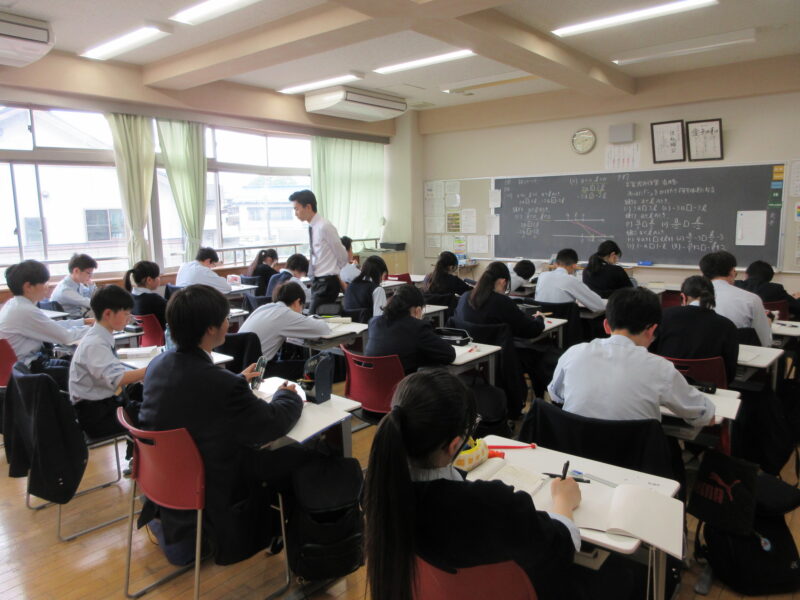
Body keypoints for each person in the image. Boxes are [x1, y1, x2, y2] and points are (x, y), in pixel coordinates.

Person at [364, 370, 583, 600]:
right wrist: (563, 501)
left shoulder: (380, 486)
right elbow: (562, 546)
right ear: (454, 446)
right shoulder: (493, 505)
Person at [137, 284, 306, 565]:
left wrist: (236, 380)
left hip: (162, 476)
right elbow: (272, 424)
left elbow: (193, 399)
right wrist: (288, 396)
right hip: (213, 482)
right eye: (226, 318)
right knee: (302, 454)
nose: (229, 324)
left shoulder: (159, 365)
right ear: (210, 329)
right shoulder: (219, 383)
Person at [549, 287, 715, 427]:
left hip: (574, 450)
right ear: (652, 330)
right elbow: (705, 416)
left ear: (606, 325)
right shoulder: (660, 368)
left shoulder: (574, 353)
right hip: (635, 454)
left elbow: (555, 395)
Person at [454, 261, 547, 414]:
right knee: (536, 355)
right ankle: (539, 403)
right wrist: (539, 319)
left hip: (470, 359)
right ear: (503, 282)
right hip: (502, 361)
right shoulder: (502, 302)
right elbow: (530, 330)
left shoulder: (464, 298)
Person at [0, 260, 92, 389]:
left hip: (29, 364)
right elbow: (66, 337)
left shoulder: (16, 304)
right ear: (28, 286)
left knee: (75, 367)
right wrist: (98, 328)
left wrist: (84, 322)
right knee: (82, 375)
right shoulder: (24, 310)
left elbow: (50, 326)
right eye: (44, 283)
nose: (47, 286)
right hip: (27, 371)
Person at [68, 285, 146, 438]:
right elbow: (118, 379)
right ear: (108, 314)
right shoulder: (95, 343)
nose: (129, 318)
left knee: (147, 398)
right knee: (156, 416)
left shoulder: (101, 336)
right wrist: (150, 369)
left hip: (104, 404)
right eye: (126, 314)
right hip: (97, 415)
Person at [650, 275, 739, 384]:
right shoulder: (727, 326)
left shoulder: (662, 316)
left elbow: (649, 353)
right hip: (709, 387)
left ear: (683, 297)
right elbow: (729, 373)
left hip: (664, 383)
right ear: (713, 298)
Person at [239, 282, 331, 379]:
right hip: (258, 372)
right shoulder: (285, 313)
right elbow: (323, 329)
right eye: (302, 307)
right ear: (297, 302)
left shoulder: (263, 308)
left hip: (240, 369)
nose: (301, 311)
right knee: (314, 367)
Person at [364, 284, 455, 373]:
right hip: (403, 382)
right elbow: (449, 354)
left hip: (370, 381)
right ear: (418, 310)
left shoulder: (374, 322)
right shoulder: (417, 327)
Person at [290, 189, 348, 313]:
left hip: (327, 282)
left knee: (313, 317)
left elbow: (342, 253)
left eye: (297, 209)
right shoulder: (312, 226)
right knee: (319, 317)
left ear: (308, 207)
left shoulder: (324, 226)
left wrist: (334, 271)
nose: (295, 213)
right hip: (318, 281)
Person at [699, 251, 772, 347]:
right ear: (731, 271)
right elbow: (766, 342)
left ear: (703, 273)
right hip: (740, 354)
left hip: (699, 353)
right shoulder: (751, 299)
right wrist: (768, 324)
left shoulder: (692, 298)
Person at [535, 249, 606, 312]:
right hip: (564, 320)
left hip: (542, 320)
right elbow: (599, 306)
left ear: (556, 263)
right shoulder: (572, 280)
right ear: (574, 265)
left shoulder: (542, 276)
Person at [735, 260, 800, 319]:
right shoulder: (776, 289)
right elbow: (797, 307)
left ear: (746, 274)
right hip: (772, 326)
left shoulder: (735, 285)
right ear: (770, 278)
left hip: (738, 326)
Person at [51, 253, 98, 318]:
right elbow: (89, 303)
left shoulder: (77, 283)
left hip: (78, 318)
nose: (91, 276)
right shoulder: (65, 290)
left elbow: (91, 296)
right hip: (71, 321)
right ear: (76, 271)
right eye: (88, 273)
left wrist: (91, 285)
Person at [124, 260, 167, 330]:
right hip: (161, 336)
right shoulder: (154, 299)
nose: (159, 279)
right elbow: (173, 313)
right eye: (158, 276)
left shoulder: (130, 297)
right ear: (149, 280)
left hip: (141, 336)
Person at [343, 255, 388, 321]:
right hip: (368, 327)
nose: (382, 280)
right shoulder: (377, 290)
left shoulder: (350, 287)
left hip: (349, 326)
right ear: (380, 273)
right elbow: (379, 319)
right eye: (384, 275)